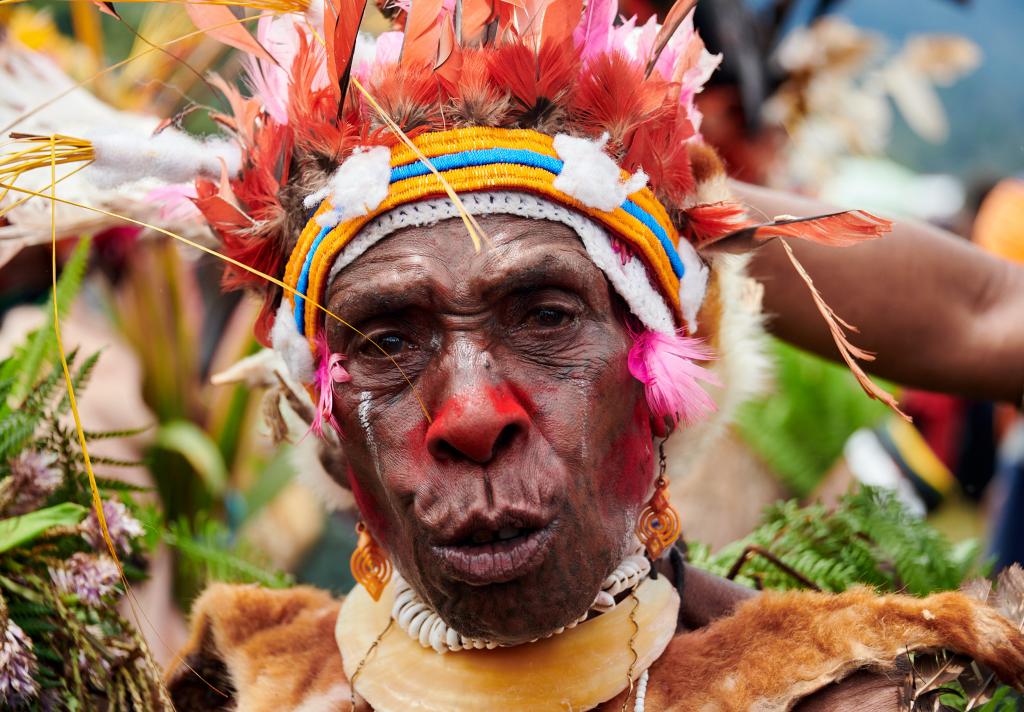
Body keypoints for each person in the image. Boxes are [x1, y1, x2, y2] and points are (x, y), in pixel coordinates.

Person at [8, 1, 1023, 709]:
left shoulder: (861, 691)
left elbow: (995, 311)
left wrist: (632, 199)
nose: (473, 412)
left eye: (542, 315)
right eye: (388, 338)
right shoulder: (244, 682)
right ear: (323, 438)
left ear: (665, 385)